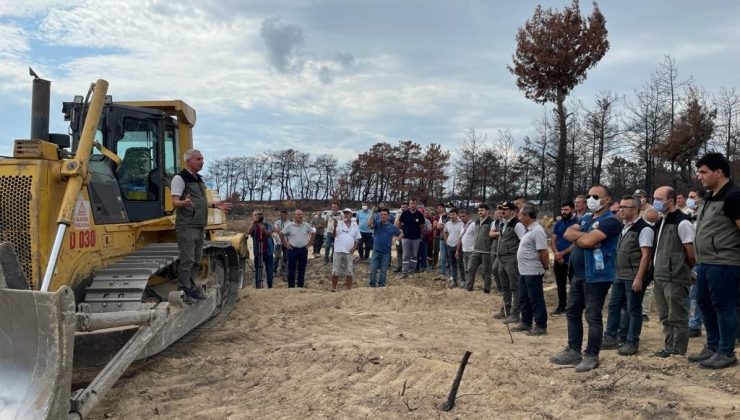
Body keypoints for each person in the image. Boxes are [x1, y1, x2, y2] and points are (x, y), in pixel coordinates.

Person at [550, 184, 621, 372]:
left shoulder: (611, 221)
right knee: (572, 312)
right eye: (589, 196)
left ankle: (591, 355)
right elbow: (567, 233)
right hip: (578, 274)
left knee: (592, 316)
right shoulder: (588, 218)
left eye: (595, 197)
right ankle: (573, 350)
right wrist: (586, 237)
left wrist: (584, 238)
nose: (591, 199)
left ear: (607, 200)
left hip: (596, 276)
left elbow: (588, 241)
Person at [689, 153, 740, 369]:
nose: (699, 176)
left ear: (718, 172)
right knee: (704, 303)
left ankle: (726, 352)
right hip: (706, 262)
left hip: (725, 262)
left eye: (703, 172)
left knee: (724, 306)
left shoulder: (734, 196)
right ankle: (712, 346)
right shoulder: (710, 197)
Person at [171, 149, 232, 303]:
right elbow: (174, 201)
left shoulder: (198, 179)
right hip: (187, 225)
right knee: (187, 259)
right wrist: (183, 203)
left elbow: (199, 201)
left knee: (196, 260)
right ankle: (184, 289)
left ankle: (191, 286)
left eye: (202, 159)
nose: (202, 161)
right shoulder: (180, 178)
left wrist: (213, 204)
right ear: (189, 161)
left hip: (199, 225)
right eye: (199, 159)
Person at [602, 195, 654, 356]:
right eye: (620, 206)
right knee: (614, 306)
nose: (620, 210)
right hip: (619, 274)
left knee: (633, 309)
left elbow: (646, 255)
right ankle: (612, 337)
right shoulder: (624, 227)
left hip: (633, 275)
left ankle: (632, 341)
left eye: (625, 207)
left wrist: (639, 278)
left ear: (636, 209)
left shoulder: (644, 229)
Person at [651, 186, 695, 358]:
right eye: (655, 198)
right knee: (665, 316)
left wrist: (684, 269)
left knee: (678, 315)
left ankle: (678, 350)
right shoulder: (661, 221)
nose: (656, 202)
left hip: (675, 277)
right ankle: (669, 347)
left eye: (659, 199)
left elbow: (691, 252)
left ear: (671, 200)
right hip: (660, 276)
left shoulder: (683, 222)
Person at [511, 205, 549, 336]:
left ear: (527, 216)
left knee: (535, 298)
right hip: (524, 271)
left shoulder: (537, 230)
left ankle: (540, 325)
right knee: (524, 297)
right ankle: (526, 322)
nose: (518, 217)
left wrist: (544, 267)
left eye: (520, 215)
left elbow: (543, 252)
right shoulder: (528, 230)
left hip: (533, 271)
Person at [492, 201, 525, 323]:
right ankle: (506, 309)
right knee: (505, 286)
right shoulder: (503, 224)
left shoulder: (517, 225)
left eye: (505, 209)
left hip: (511, 259)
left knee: (514, 286)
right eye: (501, 209)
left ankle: (515, 313)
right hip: (501, 258)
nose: (502, 211)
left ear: (512, 211)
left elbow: (523, 241)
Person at [550, 201, 578, 315]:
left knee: (574, 285)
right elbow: (553, 240)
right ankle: (561, 306)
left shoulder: (577, 223)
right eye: (562, 210)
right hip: (558, 259)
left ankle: (573, 307)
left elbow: (576, 242)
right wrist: (557, 254)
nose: (563, 212)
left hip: (572, 259)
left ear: (572, 209)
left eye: (566, 210)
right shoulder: (558, 223)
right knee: (560, 284)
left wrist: (563, 253)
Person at [279, 209, 315, 288]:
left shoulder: (306, 225)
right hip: (293, 250)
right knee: (291, 269)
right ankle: (291, 287)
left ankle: (300, 287)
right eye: (298, 214)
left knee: (302, 270)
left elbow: (312, 233)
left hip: (303, 250)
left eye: (301, 214)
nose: (300, 216)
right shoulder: (290, 226)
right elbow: (281, 234)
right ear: (295, 216)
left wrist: (309, 244)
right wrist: (285, 244)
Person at [367, 208, 401, 287]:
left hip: (386, 252)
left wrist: (396, 240)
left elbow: (401, 233)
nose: (383, 216)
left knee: (383, 270)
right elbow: (369, 224)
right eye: (381, 214)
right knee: (373, 269)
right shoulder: (377, 224)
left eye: (385, 214)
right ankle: (372, 285)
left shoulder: (392, 227)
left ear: (388, 216)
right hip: (376, 250)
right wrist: (372, 213)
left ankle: (381, 285)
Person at [465, 204, 494, 293]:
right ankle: (469, 288)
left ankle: (486, 290)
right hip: (476, 250)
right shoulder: (477, 222)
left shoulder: (491, 222)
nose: (480, 212)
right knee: (470, 269)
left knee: (486, 272)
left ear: (487, 211)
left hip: (487, 251)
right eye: (479, 210)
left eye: (482, 210)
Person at [330, 208, 361, 291]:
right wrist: (335, 226)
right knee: (335, 270)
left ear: (351, 215)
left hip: (349, 252)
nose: (346, 215)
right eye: (345, 213)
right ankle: (333, 288)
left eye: (348, 213)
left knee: (349, 271)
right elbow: (333, 235)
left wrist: (354, 249)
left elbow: (357, 239)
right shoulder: (339, 223)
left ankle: (348, 289)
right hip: (338, 250)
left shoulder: (355, 225)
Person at [395, 199, 425, 277]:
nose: (412, 205)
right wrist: (404, 230)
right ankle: (404, 272)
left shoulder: (420, 214)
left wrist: (420, 234)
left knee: (414, 255)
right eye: (411, 203)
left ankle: (412, 271)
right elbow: (399, 223)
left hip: (416, 238)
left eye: (414, 203)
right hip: (406, 237)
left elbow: (422, 226)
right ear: (409, 204)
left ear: (416, 204)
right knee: (405, 255)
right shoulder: (405, 213)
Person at [246, 210, 275, 288]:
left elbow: (269, 234)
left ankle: (270, 287)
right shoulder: (253, 226)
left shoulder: (267, 224)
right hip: (258, 251)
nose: (258, 216)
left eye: (259, 214)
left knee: (269, 270)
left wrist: (263, 229)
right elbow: (248, 232)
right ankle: (258, 287)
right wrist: (254, 222)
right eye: (255, 215)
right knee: (258, 270)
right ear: (252, 217)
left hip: (268, 251)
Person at [443, 208, 464, 287]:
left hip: (458, 246)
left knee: (460, 264)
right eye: (450, 215)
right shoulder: (448, 223)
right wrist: (446, 241)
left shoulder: (461, 223)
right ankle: (454, 281)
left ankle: (463, 281)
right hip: (450, 246)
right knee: (453, 264)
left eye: (453, 214)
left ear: (457, 215)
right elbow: (444, 232)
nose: (451, 216)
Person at [456, 209, 475, 285]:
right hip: (464, 251)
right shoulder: (462, 226)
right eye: (460, 217)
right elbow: (460, 238)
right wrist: (457, 250)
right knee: (466, 269)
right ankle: (468, 283)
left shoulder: (473, 225)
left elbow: (477, 236)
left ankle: (469, 285)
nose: (462, 218)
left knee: (470, 269)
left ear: (468, 216)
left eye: (463, 216)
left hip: (472, 250)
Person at [273, 209, 291, 278]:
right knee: (276, 257)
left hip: (286, 242)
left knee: (286, 257)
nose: (284, 215)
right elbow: (277, 230)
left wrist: (283, 232)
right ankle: (274, 271)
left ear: (287, 215)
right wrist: (283, 231)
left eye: (285, 214)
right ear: (281, 215)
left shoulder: (290, 223)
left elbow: (289, 232)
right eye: (282, 214)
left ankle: (283, 270)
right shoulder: (277, 222)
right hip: (278, 242)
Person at [433, 204, 450, 276]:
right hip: (442, 238)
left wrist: (445, 226)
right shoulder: (442, 217)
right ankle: (443, 272)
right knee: (442, 257)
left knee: (450, 257)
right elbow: (438, 226)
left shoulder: (454, 216)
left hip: (451, 239)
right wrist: (448, 225)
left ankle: (451, 273)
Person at [393, 202, 409, 272]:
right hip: (398, 235)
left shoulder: (409, 215)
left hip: (407, 236)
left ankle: (406, 268)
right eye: (402, 207)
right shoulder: (398, 215)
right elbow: (395, 225)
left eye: (404, 207)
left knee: (406, 253)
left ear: (407, 207)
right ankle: (399, 266)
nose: (403, 209)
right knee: (399, 252)